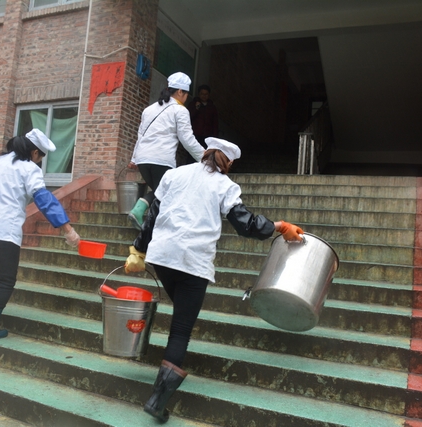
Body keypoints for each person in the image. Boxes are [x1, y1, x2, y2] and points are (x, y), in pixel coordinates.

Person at [124, 137, 304, 422]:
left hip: (162, 257)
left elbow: (153, 215)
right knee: (180, 330)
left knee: (181, 316)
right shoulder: (224, 186)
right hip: (192, 263)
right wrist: (280, 226)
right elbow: (246, 224)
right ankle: (158, 400)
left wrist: (138, 249)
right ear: (227, 162)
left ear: (206, 153)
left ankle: (163, 386)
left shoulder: (174, 174)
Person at [0, 128, 81, 341]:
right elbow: (44, 199)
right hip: (4, 230)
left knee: (4, 271)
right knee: (8, 279)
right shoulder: (29, 169)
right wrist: (67, 229)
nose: (39, 161)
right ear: (34, 153)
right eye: (40, 157)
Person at [127, 72, 205, 230]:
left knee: (161, 193)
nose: (186, 98)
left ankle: (149, 223)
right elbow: (187, 139)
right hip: (161, 159)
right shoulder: (180, 110)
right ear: (180, 92)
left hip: (143, 160)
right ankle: (141, 213)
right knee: (167, 192)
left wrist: (134, 158)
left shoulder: (149, 109)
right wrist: (205, 156)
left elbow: (141, 135)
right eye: (186, 94)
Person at [187, 84, 219, 149]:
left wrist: (215, 137)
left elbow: (215, 123)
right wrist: (196, 109)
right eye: (202, 94)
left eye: (206, 94)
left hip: (207, 136)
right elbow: (188, 117)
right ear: (199, 94)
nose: (204, 96)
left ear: (209, 95)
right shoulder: (193, 104)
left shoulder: (212, 107)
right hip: (194, 135)